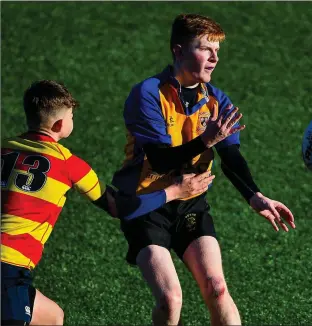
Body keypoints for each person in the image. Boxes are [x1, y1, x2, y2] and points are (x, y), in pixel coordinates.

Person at [112, 13, 296, 326]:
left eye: (217, 51)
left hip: (191, 205)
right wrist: (205, 140)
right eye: (205, 49)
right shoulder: (147, 94)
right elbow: (159, 160)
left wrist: (256, 196)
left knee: (217, 287)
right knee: (171, 299)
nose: (214, 58)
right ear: (178, 50)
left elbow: (231, 156)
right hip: (147, 204)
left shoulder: (217, 100)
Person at [1, 80, 215, 326]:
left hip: (11, 270)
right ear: (60, 125)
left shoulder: (4, 149)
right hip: (9, 266)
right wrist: (174, 191)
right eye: (72, 116)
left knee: (53, 317)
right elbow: (119, 207)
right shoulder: (68, 164)